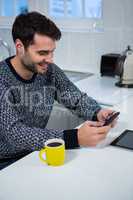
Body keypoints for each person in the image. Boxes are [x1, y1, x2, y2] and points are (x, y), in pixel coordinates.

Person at [0, 11, 116, 163]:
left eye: (52, 52)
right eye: (42, 53)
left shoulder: (49, 71)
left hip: (37, 152)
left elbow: (74, 97)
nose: (50, 59)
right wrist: (74, 137)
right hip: (6, 162)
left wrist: (97, 112)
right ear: (19, 47)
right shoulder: (2, 79)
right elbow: (15, 133)